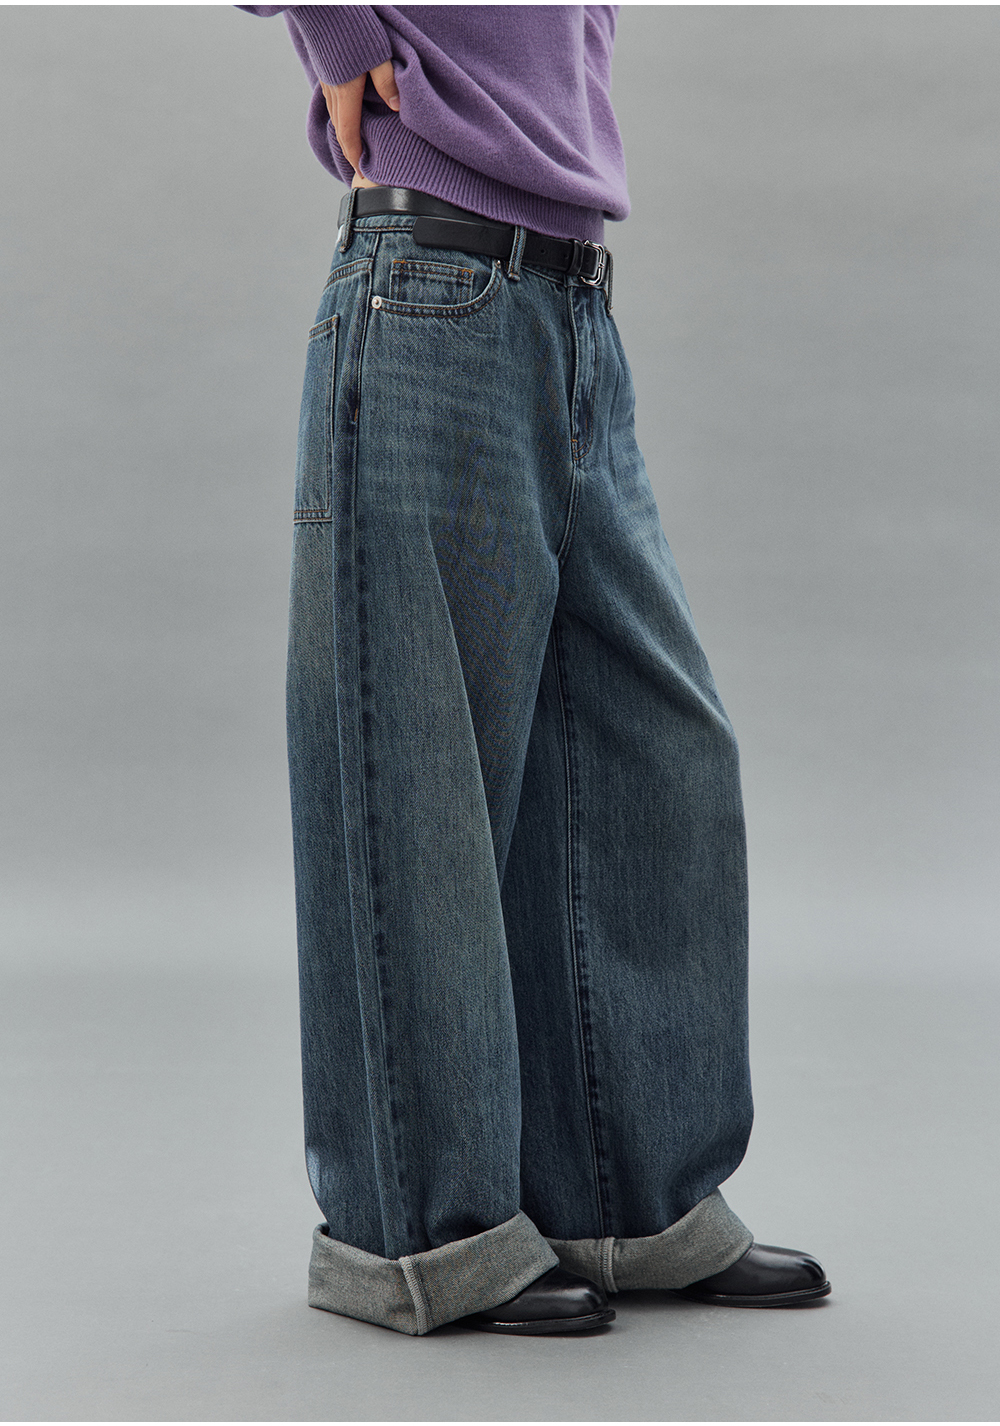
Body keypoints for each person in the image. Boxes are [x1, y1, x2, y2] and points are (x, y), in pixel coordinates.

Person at [238, 3, 830, 1337]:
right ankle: (415, 1234)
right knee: (416, 768)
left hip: (569, 309)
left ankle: (627, 1195)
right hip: (428, 287)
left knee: (653, 748)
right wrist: (338, 39)